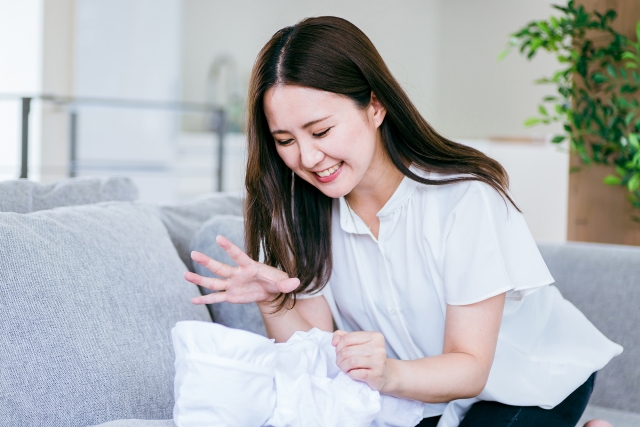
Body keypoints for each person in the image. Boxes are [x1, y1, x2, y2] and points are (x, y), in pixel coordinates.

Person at [183, 16, 621, 427]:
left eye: (320, 131)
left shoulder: (465, 201)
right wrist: (272, 301)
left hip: (524, 379)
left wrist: (388, 373)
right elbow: (312, 349)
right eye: (285, 140)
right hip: (426, 390)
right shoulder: (306, 211)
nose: (308, 157)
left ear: (375, 106)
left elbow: (470, 368)